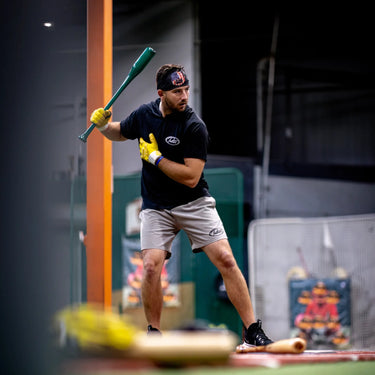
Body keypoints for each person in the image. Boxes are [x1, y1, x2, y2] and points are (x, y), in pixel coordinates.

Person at [90, 64, 273, 347]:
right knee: (150, 267)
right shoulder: (144, 114)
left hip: (193, 203)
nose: (185, 96)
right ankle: (154, 332)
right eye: (177, 91)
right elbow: (120, 132)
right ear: (161, 93)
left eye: (186, 89)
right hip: (156, 206)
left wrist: (156, 159)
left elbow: (191, 178)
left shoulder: (194, 126)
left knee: (226, 259)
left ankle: (251, 330)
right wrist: (103, 126)